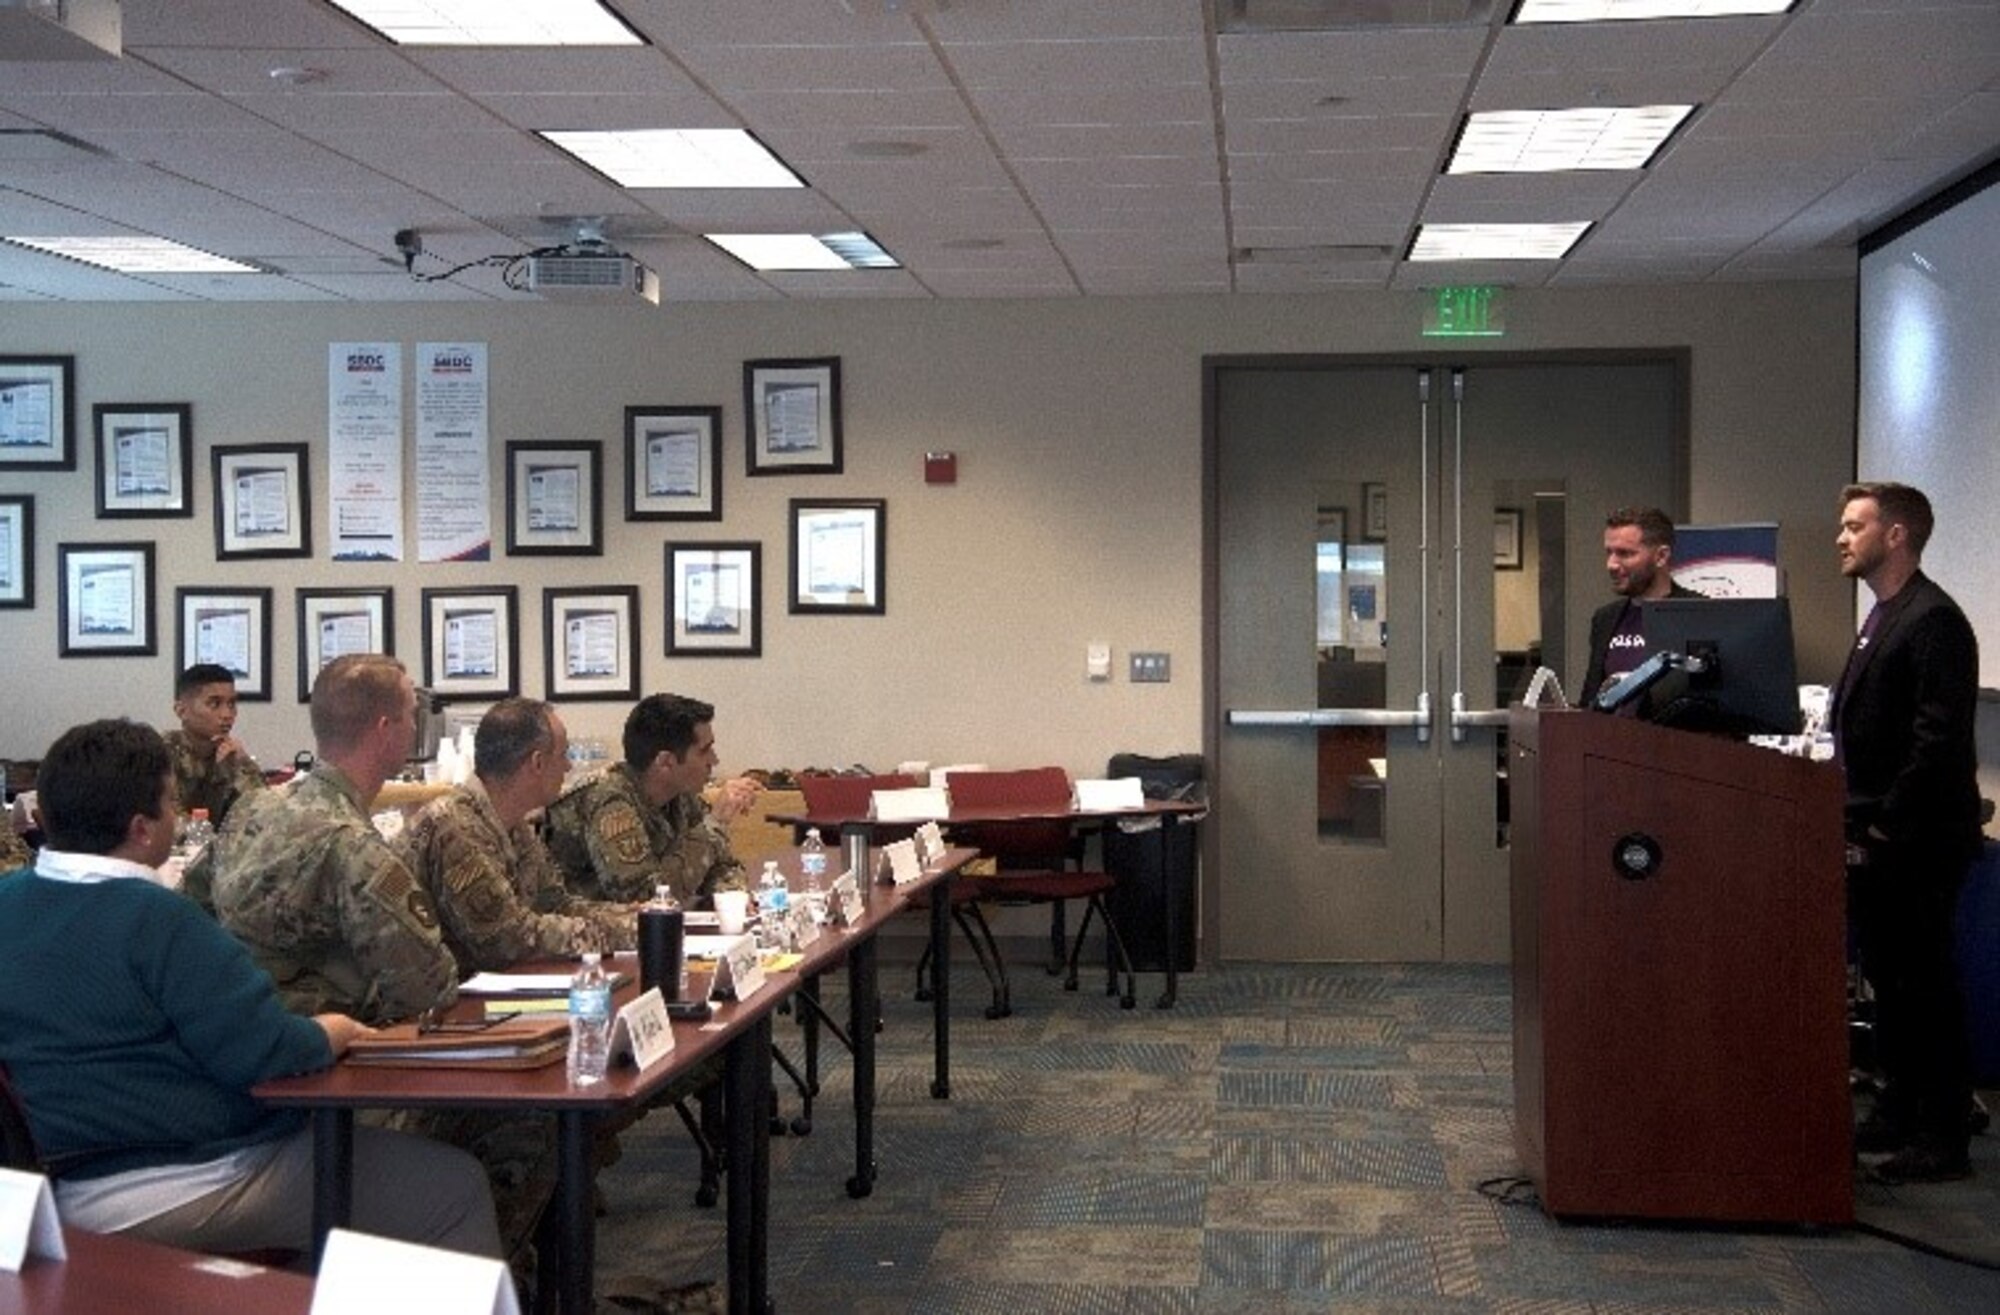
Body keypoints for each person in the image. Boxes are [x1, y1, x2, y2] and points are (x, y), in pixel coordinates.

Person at [0, 718, 499, 1260]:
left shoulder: (11, 902)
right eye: (172, 804)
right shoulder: (159, 920)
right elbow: (263, 1055)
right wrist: (328, 1032)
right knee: (454, 1189)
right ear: (144, 829)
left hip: (46, 1188)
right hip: (182, 1177)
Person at [1831, 481, 1983, 1184]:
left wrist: (1888, 824)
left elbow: (1938, 739)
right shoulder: (1882, 616)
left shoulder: (1933, 620)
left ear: (1895, 535)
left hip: (1916, 838)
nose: (1842, 536)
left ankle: (1941, 1134)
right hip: (1881, 831)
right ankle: (1898, 1108)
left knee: (1924, 983)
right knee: (1890, 980)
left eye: (1855, 525)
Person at [204, 653, 456, 1021]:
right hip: (330, 1054)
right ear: (385, 729)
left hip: (239, 1031)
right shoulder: (355, 848)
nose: (414, 730)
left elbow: (190, 909)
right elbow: (428, 991)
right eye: (411, 716)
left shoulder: (252, 808)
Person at [399, 697, 636, 977]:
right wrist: (625, 932)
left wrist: (636, 917)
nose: (569, 768)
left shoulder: (514, 824)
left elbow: (557, 903)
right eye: (563, 755)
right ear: (536, 762)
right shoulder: (456, 828)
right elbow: (507, 940)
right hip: (427, 1005)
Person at [543, 693, 756, 905]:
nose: (714, 760)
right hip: (592, 930)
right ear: (665, 762)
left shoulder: (680, 796)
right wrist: (714, 825)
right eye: (704, 751)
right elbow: (645, 900)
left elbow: (720, 865)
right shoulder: (608, 800)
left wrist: (734, 897)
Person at [1580, 506, 1703, 709]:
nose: (1611, 564)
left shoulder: (1698, 614)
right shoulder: (1605, 618)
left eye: (1625, 554)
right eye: (1609, 552)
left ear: (1661, 556)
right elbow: (1592, 697)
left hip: (1673, 738)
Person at [165, 662, 265, 826]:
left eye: (231, 704)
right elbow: (169, 821)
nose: (227, 714)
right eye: (214, 704)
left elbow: (264, 814)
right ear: (181, 711)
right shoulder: (160, 754)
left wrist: (243, 764)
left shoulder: (229, 754)